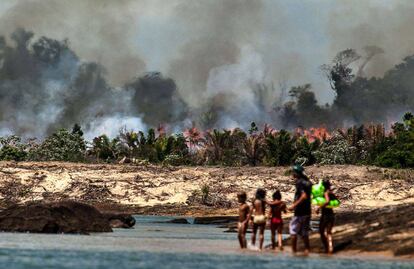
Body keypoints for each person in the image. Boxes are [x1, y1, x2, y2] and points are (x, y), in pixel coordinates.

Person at [288, 164, 312, 255]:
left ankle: (293, 251)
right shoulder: (308, 182)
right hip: (307, 211)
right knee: (304, 232)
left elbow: (304, 196)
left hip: (299, 212)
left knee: (293, 230)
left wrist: (293, 205)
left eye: (293, 172)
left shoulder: (299, 182)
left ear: (297, 173)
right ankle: (307, 250)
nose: (292, 174)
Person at [316, 179, 336, 254]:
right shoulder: (331, 192)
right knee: (329, 232)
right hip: (331, 214)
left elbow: (327, 201)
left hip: (325, 215)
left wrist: (319, 207)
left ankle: (327, 247)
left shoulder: (326, 193)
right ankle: (330, 248)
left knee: (321, 231)